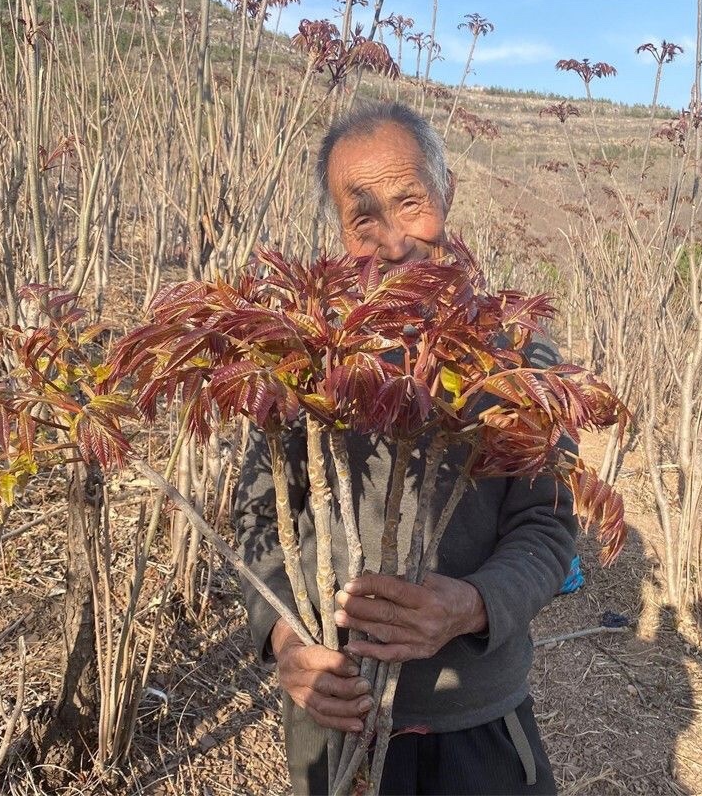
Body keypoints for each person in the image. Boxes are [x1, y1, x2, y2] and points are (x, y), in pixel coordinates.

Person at [234, 102, 577, 795]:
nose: (393, 240)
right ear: (338, 229)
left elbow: (546, 526)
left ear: (446, 194)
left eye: (409, 202)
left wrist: (474, 604)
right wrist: (281, 639)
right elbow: (258, 515)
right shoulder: (303, 357)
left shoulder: (518, 356)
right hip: (336, 722)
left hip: (478, 723)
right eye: (363, 217)